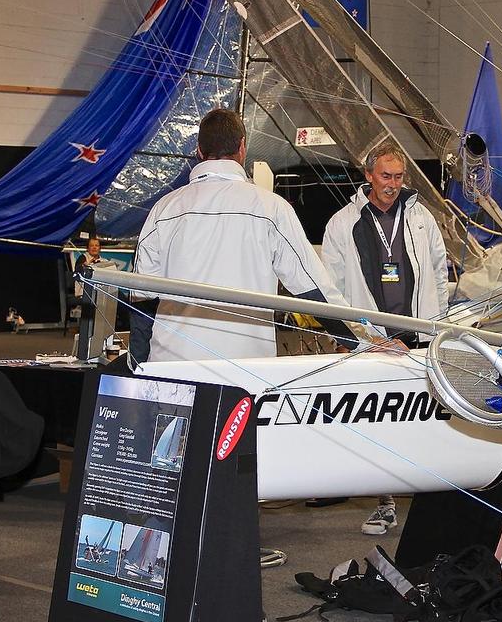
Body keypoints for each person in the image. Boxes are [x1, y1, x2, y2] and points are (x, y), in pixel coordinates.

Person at [131, 109, 358, 363]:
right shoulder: (270, 208)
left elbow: (143, 297)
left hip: (172, 366)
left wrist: (137, 364)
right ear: (242, 147)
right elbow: (314, 289)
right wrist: (363, 341)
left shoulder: (163, 209)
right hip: (245, 371)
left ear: (198, 150)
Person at [322, 140, 449, 535]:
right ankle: (385, 503)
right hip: (372, 340)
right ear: (368, 176)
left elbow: (439, 272)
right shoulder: (342, 224)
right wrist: (357, 337)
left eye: (398, 177)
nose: (392, 184)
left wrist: (436, 327)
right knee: (380, 423)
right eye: (385, 176)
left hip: (417, 334)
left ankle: (431, 502)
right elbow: (333, 287)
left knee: (424, 419)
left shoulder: (422, 218)